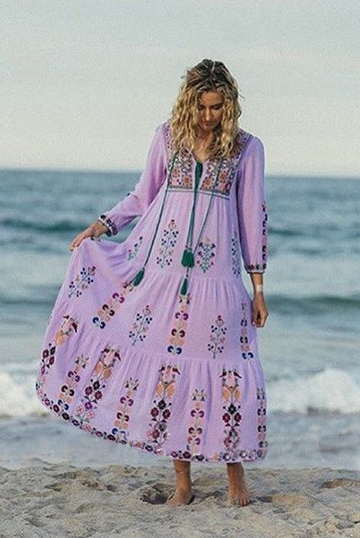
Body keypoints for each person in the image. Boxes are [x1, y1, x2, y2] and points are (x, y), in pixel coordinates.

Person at [36, 59, 269, 507]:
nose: (208, 116)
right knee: (170, 374)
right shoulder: (168, 137)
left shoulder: (246, 148)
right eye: (201, 107)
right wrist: (101, 226)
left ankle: (235, 476)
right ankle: (183, 484)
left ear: (230, 105)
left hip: (218, 276)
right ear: (189, 102)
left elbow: (252, 215)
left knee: (225, 370)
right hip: (162, 273)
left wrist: (257, 286)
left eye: (217, 108)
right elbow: (143, 196)